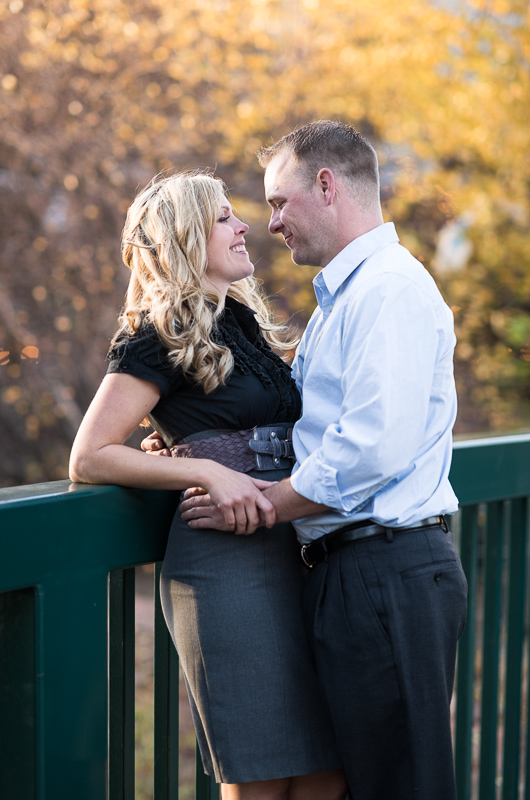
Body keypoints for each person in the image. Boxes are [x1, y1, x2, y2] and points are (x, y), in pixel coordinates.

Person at [174, 121, 469, 800]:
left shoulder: (386, 290)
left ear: (328, 186)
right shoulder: (346, 298)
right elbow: (302, 420)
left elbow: (373, 447)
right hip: (357, 572)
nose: (270, 222)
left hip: (384, 569)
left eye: (279, 202)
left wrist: (261, 507)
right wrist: (196, 444)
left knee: (401, 786)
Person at [69, 171, 347, 800]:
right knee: (262, 771)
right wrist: (200, 466)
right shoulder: (153, 336)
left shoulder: (242, 327)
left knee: (329, 769)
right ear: (185, 237)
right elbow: (90, 455)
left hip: (298, 544)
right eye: (224, 218)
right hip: (228, 563)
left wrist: (189, 445)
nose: (245, 225)